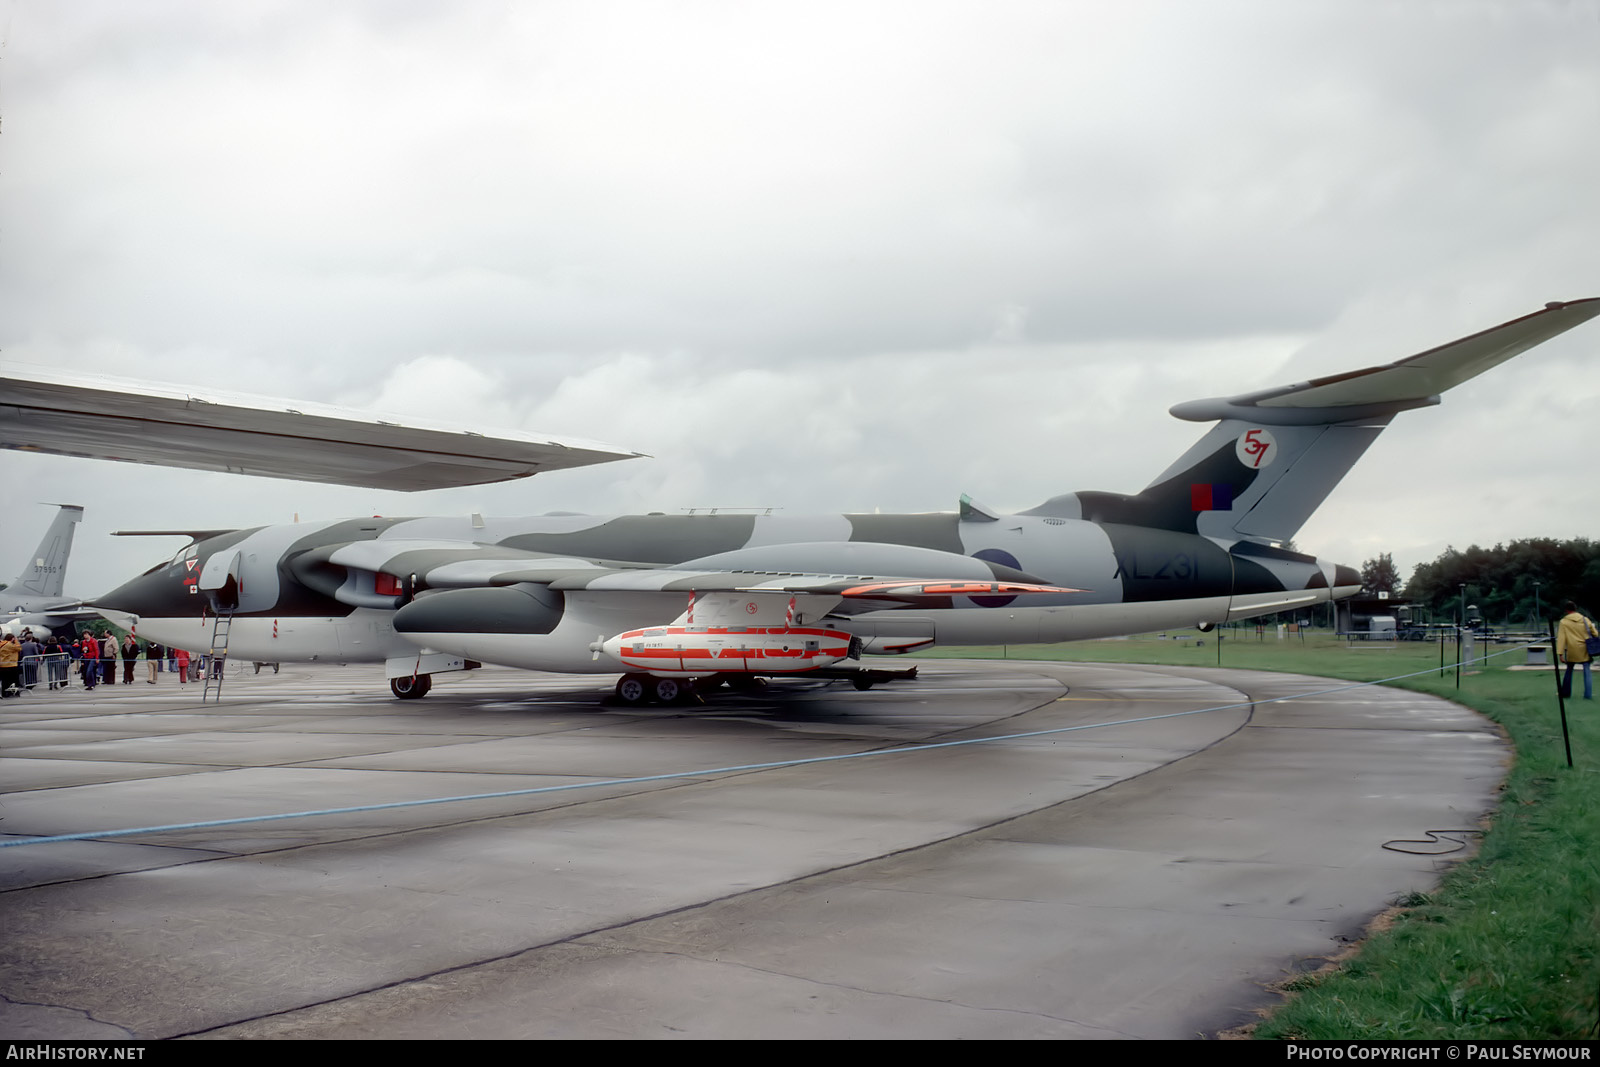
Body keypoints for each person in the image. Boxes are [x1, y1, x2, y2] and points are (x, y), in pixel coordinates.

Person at [1556, 600, 1598, 700]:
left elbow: (1561, 638)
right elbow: (1595, 634)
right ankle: (1588, 695)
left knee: (1569, 670)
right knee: (1587, 671)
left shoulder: (1563, 622)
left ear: (1566, 610)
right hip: (1585, 649)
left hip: (1572, 649)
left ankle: (1565, 693)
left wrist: (1560, 653)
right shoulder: (1585, 619)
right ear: (1575, 609)